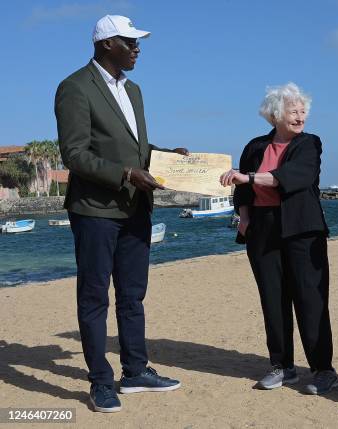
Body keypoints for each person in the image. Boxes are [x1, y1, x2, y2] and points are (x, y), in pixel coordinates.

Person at [54, 15, 188, 413]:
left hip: (135, 209)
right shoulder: (75, 87)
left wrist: (168, 159)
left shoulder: (136, 91)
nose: (137, 48)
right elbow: (74, 154)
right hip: (95, 210)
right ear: (105, 44)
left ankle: (135, 371)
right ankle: (100, 382)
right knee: (95, 297)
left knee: (133, 296)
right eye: (129, 41)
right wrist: (126, 174)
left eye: (137, 42)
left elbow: (136, 150)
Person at [219, 83, 338, 395]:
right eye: (293, 111)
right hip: (263, 229)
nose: (300, 116)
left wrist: (249, 177)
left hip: (302, 231)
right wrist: (244, 219)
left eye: (303, 111)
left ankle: (323, 370)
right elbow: (242, 190)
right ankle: (282, 366)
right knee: (273, 300)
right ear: (275, 115)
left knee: (310, 300)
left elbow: (294, 177)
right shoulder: (255, 146)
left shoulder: (310, 144)